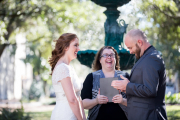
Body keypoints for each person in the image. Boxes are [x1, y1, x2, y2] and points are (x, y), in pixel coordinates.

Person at [111, 29, 167, 120]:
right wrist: (126, 88)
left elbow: (150, 90)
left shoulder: (151, 58)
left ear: (140, 42)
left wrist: (128, 86)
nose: (130, 52)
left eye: (130, 47)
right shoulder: (147, 57)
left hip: (149, 116)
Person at [81, 46, 129, 120]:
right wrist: (96, 101)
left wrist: (122, 101)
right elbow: (83, 104)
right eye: (105, 55)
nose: (109, 57)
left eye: (112, 55)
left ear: (115, 59)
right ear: (100, 60)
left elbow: (135, 102)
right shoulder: (91, 77)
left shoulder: (125, 76)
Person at [49, 33, 86, 120]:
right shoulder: (62, 68)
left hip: (74, 115)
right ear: (66, 47)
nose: (78, 48)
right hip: (65, 115)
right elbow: (72, 100)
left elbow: (78, 97)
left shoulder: (69, 67)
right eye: (75, 45)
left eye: (78, 45)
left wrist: (83, 118)